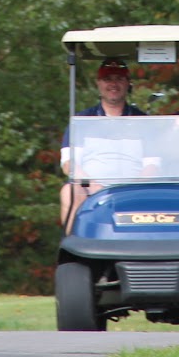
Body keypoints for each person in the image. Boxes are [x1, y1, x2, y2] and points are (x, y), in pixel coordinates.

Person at [59, 59, 145, 230]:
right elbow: (69, 164)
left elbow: (152, 167)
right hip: (91, 188)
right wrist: (93, 185)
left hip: (134, 189)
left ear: (128, 83)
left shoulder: (143, 121)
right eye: (107, 79)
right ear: (98, 83)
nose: (113, 84)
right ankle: (74, 243)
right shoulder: (83, 120)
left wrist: (130, 189)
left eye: (119, 79)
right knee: (69, 192)